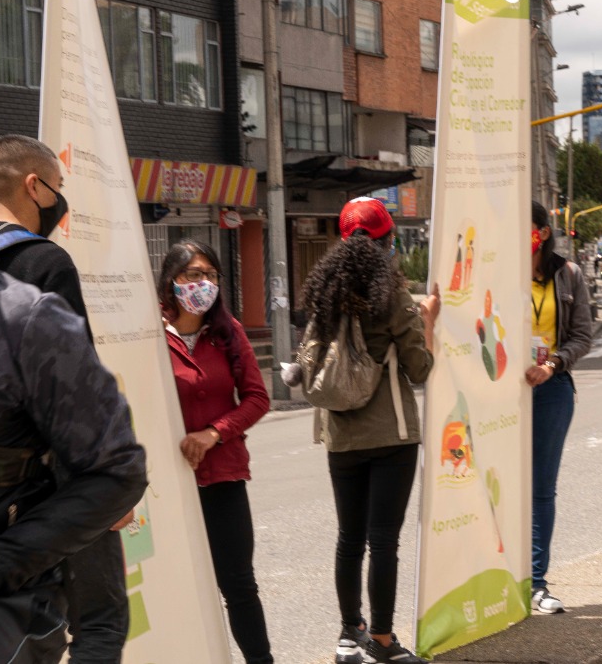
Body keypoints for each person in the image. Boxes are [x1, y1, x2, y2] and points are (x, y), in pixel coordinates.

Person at [0, 134, 131, 661]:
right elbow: (75, 407)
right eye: (58, 188)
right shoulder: (44, 263)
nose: (60, 202)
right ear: (34, 185)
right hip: (50, 492)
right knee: (100, 622)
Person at [291, 197, 438, 664]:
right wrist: (427, 321)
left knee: (348, 538)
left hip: (340, 435)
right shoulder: (391, 296)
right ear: (387, 240)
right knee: (383, 541)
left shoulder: (324, 295)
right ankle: (384, 640)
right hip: (390, 435)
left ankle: (347, 634)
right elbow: (419, 367)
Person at [159, 240, 274, 663]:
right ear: (171, 281)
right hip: (167, 484)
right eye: (194, 274)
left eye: (211, 275)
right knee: (174, 587)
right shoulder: (148, 333)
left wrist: (214, 433)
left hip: (223, 477)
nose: (203, 283)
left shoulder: (229, 332)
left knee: (239, 586)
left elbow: (258, 398)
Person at [527, 202, 594, 613]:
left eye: (527, 227)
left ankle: (536, 582)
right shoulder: (496, 272)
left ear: (543, 232)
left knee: (541, 489)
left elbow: (583, 335)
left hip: (552, 390)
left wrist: (553, 364)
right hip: (500, 392)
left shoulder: (567, 275)